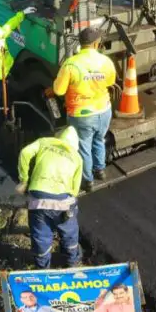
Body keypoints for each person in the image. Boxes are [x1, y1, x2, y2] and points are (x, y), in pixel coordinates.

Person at [52, 27, 117, 192]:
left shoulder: (71, 64)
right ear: (96, 44)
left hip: (82, 114)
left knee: (84, 146)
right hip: (104, 110)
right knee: (99, 139)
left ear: (81, 44)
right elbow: (110, 81)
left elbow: (58, 90)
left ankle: (87, 180)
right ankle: (100, 170)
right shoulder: (106, 61)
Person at [16, 126, 83, 269]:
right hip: (64, 203)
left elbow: (24, 152)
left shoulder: (45, 142)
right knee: (70, 231)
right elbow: (75, 189)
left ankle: (42, 269)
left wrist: (24, 179)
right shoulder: (77, 158)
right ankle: (72, 262)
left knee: (41, 236)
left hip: (39, 200)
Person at [0, 6, 36, 124]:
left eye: (2, 37)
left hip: (5, 74)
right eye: (0, 38)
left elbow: (10, 25)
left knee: (4, 94)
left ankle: (4, 111)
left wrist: (22, 13)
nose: (2, 39)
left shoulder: (0, 35)